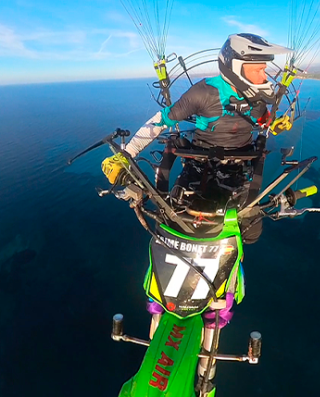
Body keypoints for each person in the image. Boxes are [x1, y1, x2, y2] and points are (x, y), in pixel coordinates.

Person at [101, 33, 291, 243]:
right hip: (199, 163)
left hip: (239, 165)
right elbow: (161, 120)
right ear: (237, 69)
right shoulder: (204, 92)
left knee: (251, 233)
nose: (265, 77)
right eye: (258, 70)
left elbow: (263, 121)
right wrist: (126, 155)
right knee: (170, 221)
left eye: (264, 69)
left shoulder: (258, 96)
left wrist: (274, 125)